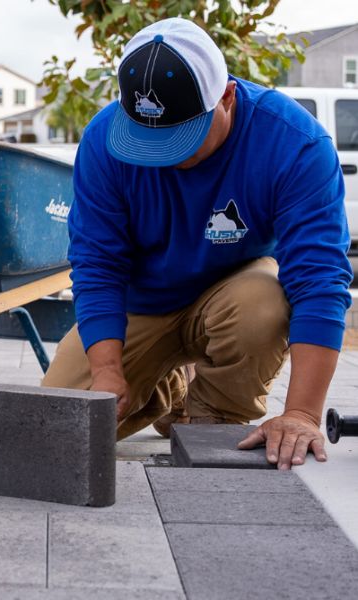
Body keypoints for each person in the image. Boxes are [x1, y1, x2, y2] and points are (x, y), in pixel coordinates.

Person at [42, 17, 352, 470]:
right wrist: (109, 370)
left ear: (226, 96)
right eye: (147, 140)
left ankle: (213, 413)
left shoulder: (294, 144)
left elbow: (320, 280)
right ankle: (167, 388)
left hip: (232, 295)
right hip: (141, 304)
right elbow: (97, 263)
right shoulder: (103, 140)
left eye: (179, 140)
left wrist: (302, 413)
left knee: (262, 304)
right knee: (57, 427)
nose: (162, 156)